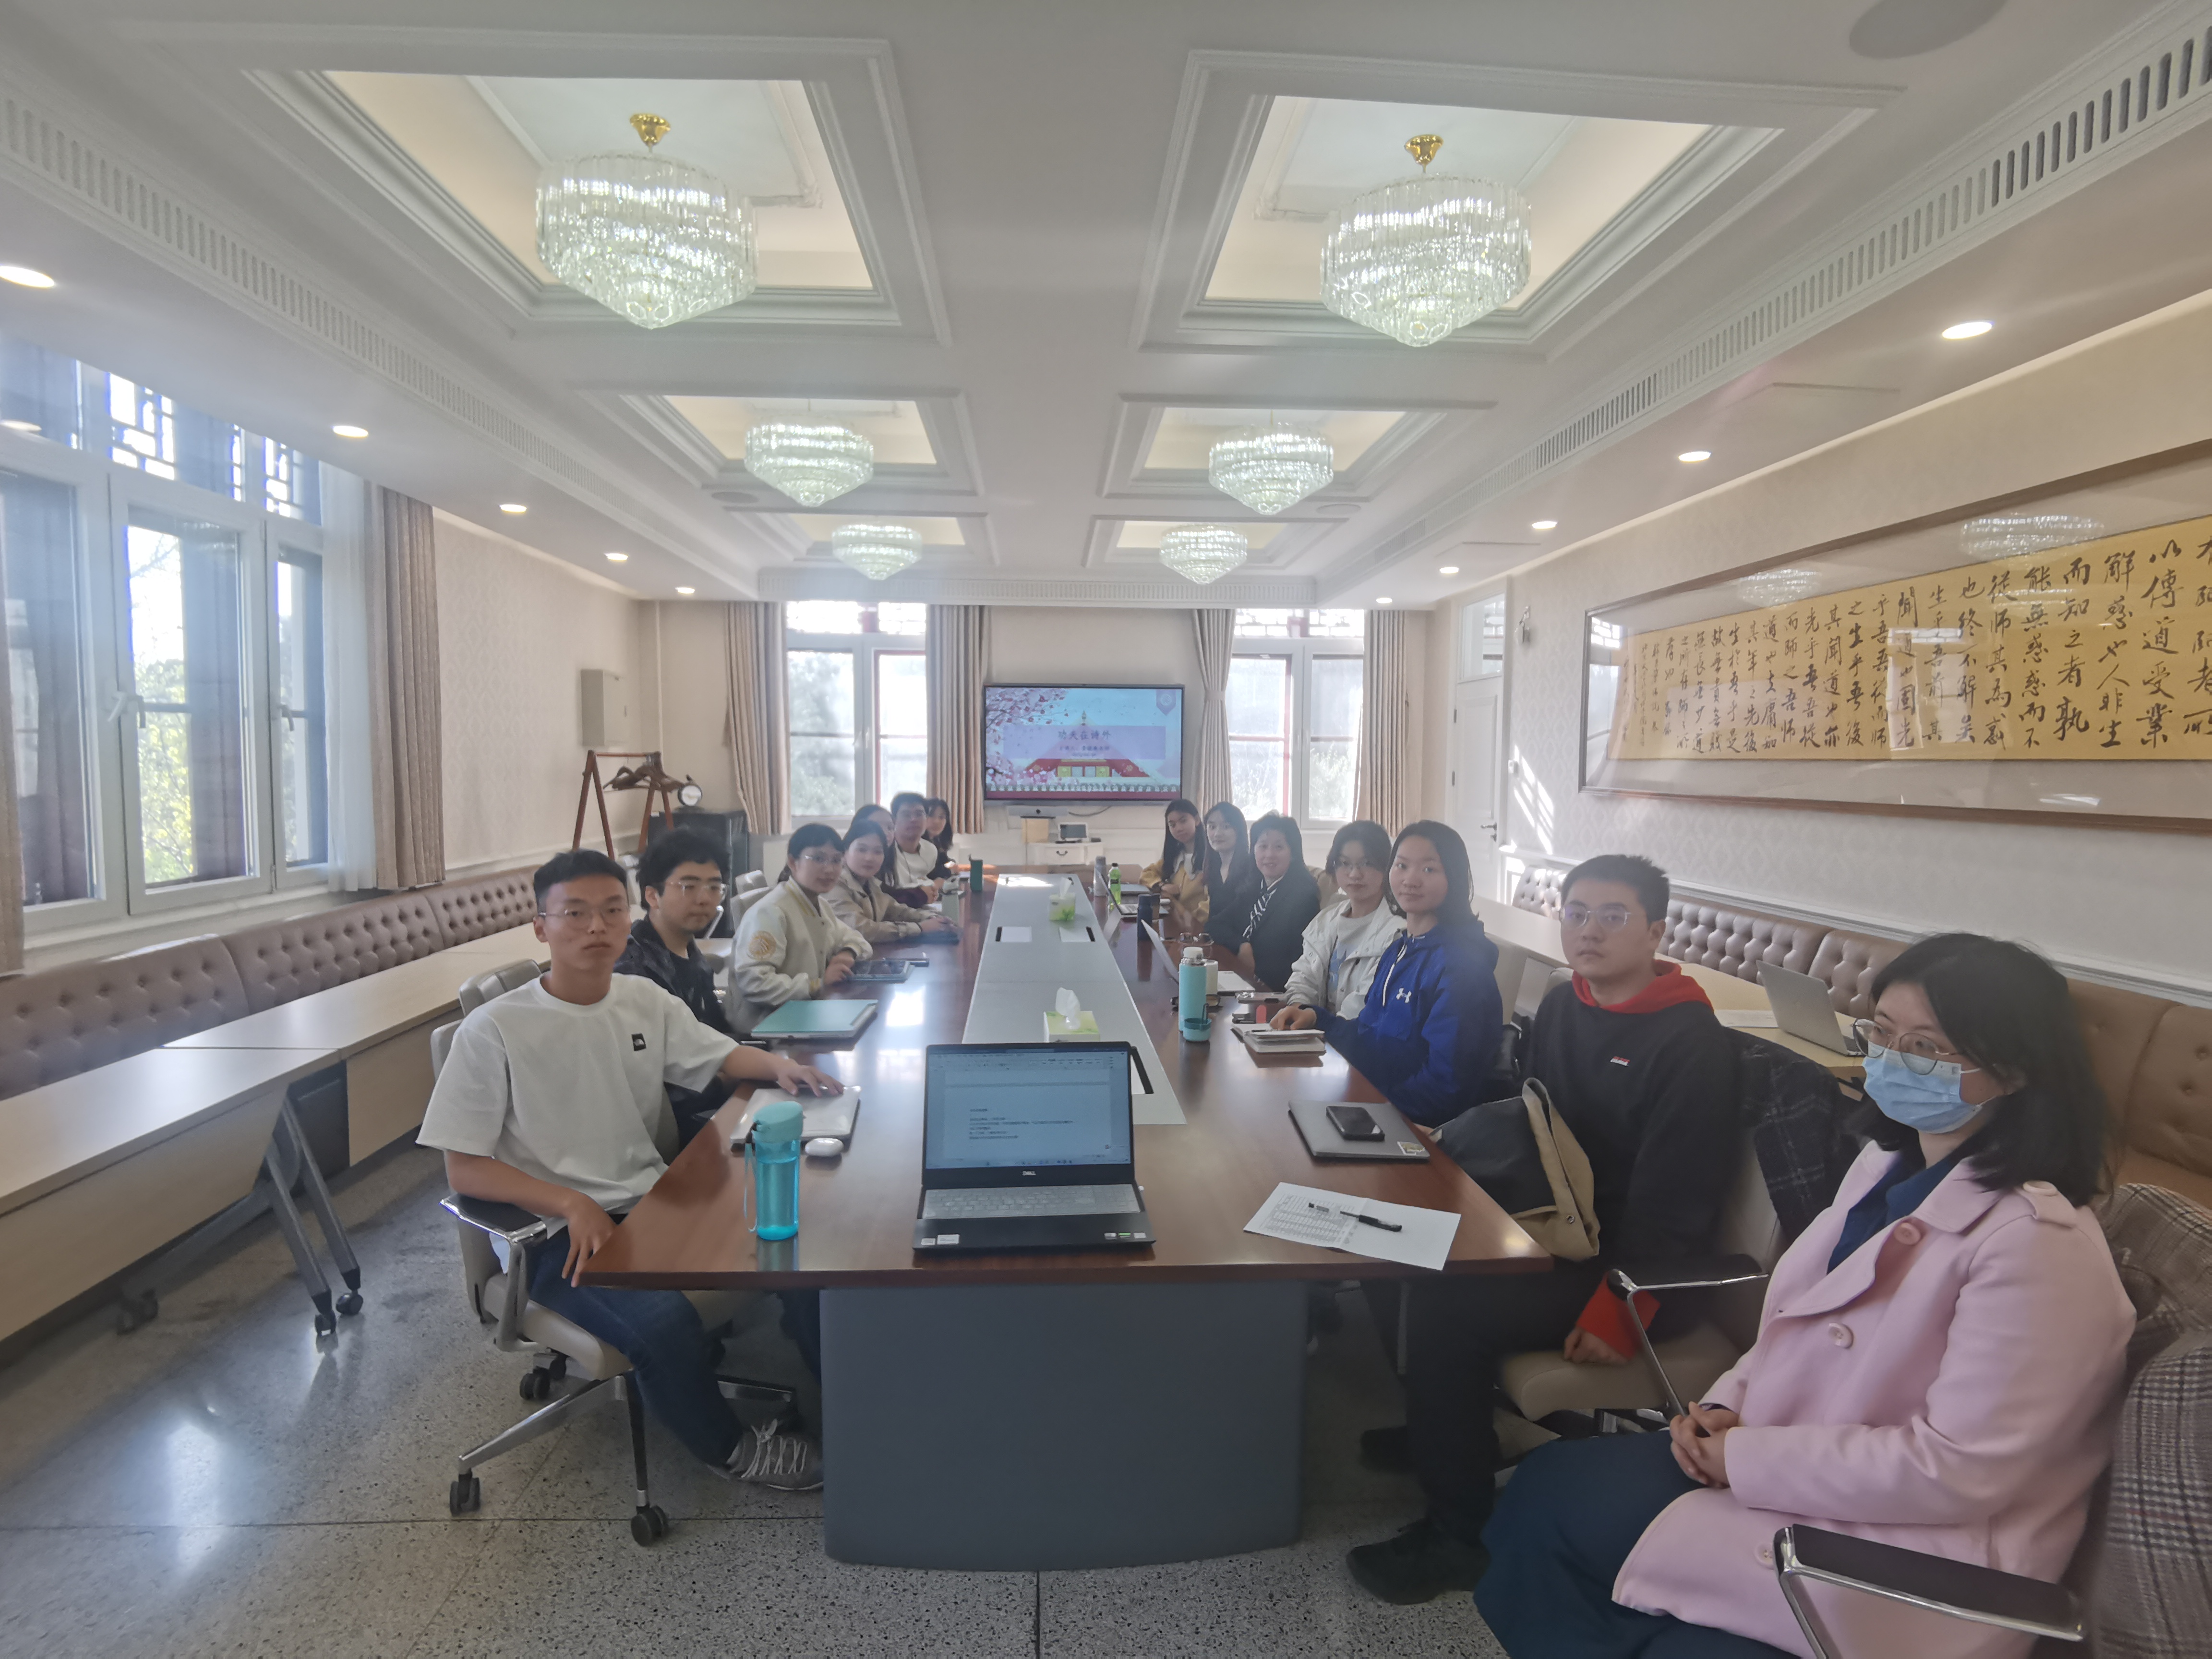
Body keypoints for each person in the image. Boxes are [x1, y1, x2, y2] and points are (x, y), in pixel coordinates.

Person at [1476, 932, 2133, 1659]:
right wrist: (1727, 1406)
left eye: (1927, 1048)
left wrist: (1747, 1459)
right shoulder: (1885, 1164)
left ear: (2014, 1072)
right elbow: (1795, 1322)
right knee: (1543, 1495)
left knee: (1658, 1624)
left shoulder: (2039, 1247)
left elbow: (1958, 1471)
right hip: (1794, 1462)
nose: (1892, 1060)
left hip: (1908, 1554)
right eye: (1882, 1033)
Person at [1346, 852, 1740, 1603]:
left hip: (1635, 1269)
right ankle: (1444, 1430)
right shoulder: (1564, 1004)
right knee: (1393, 1247)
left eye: (1613, 917)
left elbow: (1676, 1208)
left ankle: (1457, 1535)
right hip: (1553, 1226)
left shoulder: (1691, 1045)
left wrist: (1619, 1310)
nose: (1589, 931)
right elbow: (1531, 1122)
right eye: (1577, 913)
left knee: (1448, 1311)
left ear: (1656, 932)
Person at [421, 849, 841, 1488]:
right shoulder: (494, 1030)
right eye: (575, 913)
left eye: (611, 910)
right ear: (540, 927)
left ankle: (848, 1401)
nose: (596, 926)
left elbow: (721, 1056)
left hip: (652, 1202)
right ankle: (730, 1450)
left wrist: (784, 1069)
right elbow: (465, 1170)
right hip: (556, 1234)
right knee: (662, 1323)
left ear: (630, 916)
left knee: (800, 1253)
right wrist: (571, 1202)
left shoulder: (643, 998)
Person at [1314, 821, 1500, 1130]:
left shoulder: (1461, 968)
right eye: (1401, 866)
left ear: (1454, 877)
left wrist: (1368, 1107)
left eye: (1429, 869)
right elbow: (1368, 1035)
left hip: (1421, 1131)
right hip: (1376, 1109)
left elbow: (1444, 1088)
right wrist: (1318, 1020)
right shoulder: (1400, 948)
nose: (1410, 880)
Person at [613, 829, 738, 1140]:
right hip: (671, 1131)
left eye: (714, 887)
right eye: (688, 886)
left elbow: (714, 1033)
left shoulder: (688, 949)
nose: (704, 898)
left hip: (712, 1099)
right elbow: (655, 1080)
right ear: (652, 896)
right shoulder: (634, 970)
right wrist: (730, 1079)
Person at [729, 824, 873, 1033]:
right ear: (792, 862)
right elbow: (755, 983)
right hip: (768, 1025)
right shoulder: (771, 912)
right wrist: (816, 985)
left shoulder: (819, 904)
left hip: (806, 1013)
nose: (829, 869)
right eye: (818, 859)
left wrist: (847, 953)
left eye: (836, 860)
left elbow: (857, 939)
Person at [1270, 820, 1403, 1026]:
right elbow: (1304, 978)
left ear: (1387, 866)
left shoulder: (1398, 931)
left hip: (1356, 1038)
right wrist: (1298, 1009)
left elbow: (1365, 1005)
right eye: (1344, 863)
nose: (1354, 874)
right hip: (1316, 1035)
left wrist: (1317, 1023)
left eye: (1367, 863)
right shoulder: (1326, 919)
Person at [828, 819, 959, 944]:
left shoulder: (871, 883)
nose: (869, 858)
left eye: (878, 851)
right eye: (862, 850)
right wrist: (920, 928)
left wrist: (933, 918)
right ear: (844, 853)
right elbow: (861, 929)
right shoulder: (834, 884)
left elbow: (897, 911)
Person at [1236, 813, 1322, 990]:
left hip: (1274, 992)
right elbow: (1217, 924)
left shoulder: (1304, 898)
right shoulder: (1256, 886)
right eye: (1263, 846)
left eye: (1279, 847)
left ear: (1293, 853)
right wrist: (1242, 946)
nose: (1269, 855)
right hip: (1246, 980)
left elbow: (1291, 964)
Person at [1139, 798, 1207, 934]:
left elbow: (1210, 906)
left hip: (1197, 929)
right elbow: (1147, 874)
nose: (1179, 828)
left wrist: (1190, 922)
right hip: (1175, 923)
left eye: (1183, 821)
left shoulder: (1210, 857)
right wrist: (1162, 885)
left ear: (1197, 820)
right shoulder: (1176, 855)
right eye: (1173, 825)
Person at [1198, 802, 1258, 942]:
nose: (1217, 834)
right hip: (1217, 941)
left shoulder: (1251, 868)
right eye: (1212, 827)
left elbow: (1240, 918)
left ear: (1239, 831)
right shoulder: (1213, 868)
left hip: (1243, 946)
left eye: (1226, 827)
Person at [886, 792, 942, 905]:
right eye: (906, 815)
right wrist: (919, 895)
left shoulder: (931, 850)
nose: (913, 820)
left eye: (919, 814)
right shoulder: (886, 851)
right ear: (894, 820)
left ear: (926, 819)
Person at [922, 797, 956, 883]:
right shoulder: (917, 843)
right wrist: (949, 869)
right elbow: (932, 873)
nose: (936, 821)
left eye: (941, 817)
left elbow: (948, 862)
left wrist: (951, 865)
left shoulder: (937, 842)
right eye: (931, 815)